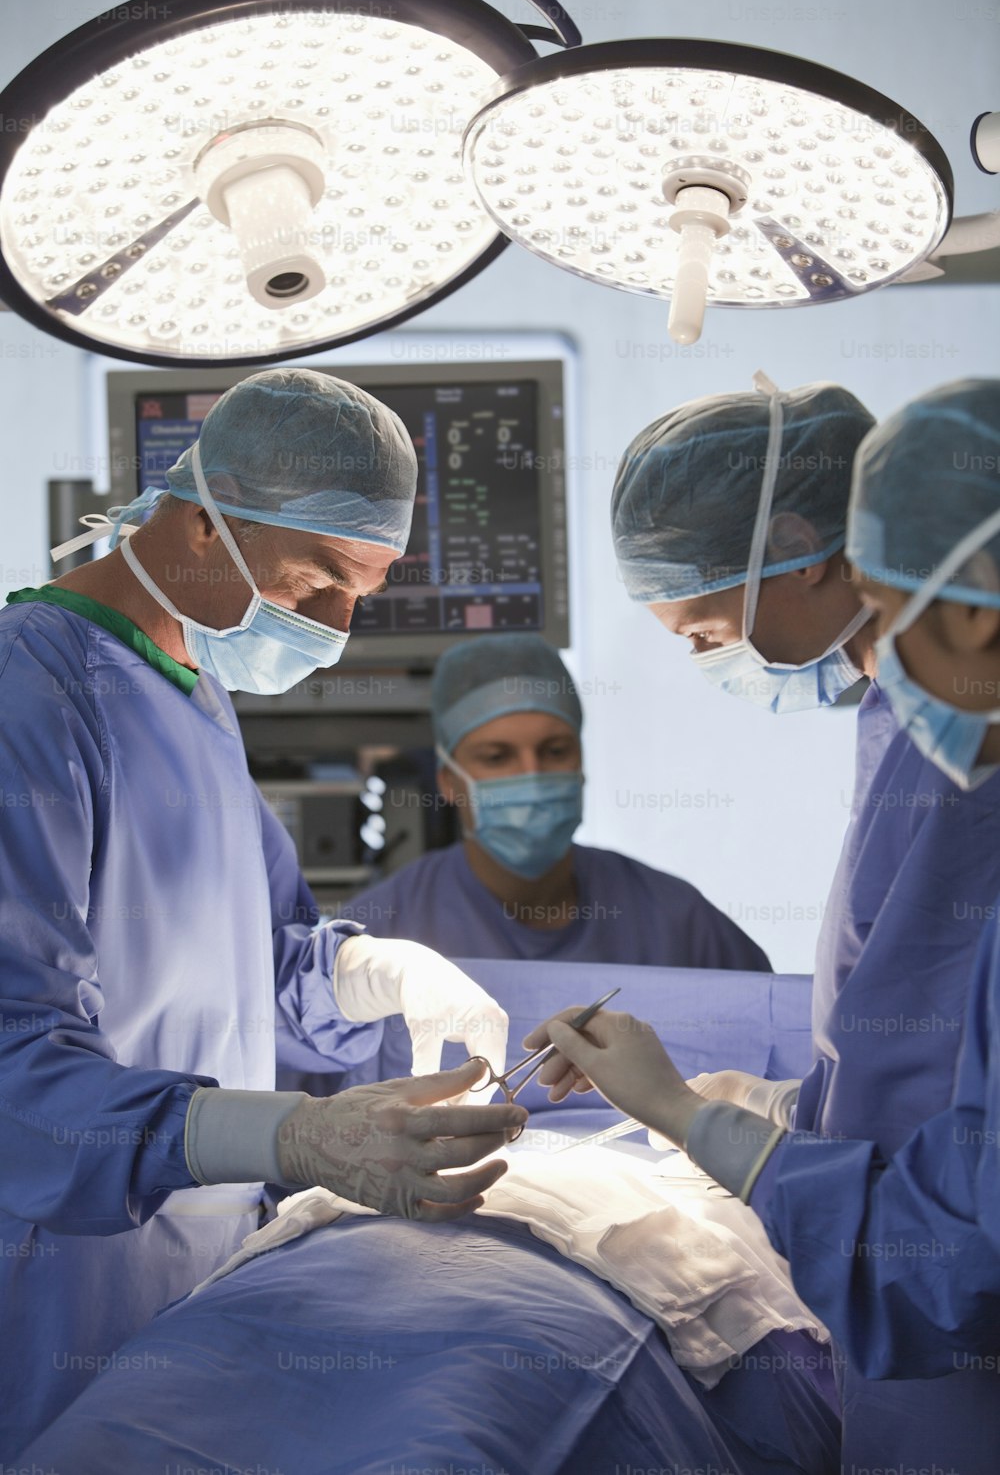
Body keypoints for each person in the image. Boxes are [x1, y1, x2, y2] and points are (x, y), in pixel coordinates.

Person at [0, 368, 525, 1458]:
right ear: (198, 520)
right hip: (48, 1286)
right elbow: (12, 1067)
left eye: (363, 592)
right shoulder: (28, 694)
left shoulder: (192, 687)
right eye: (314, 582)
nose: (339, 627)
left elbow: (256, 955)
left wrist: (371, 973)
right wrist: (286, 1134)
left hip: (190, 1268)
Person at [532, 379, 1000, 1473]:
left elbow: (950, 1263)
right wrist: (765, 1111)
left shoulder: (964, 783)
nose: (872, 666)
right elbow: (927, 1057)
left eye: (885, 617)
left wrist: (706, 1132)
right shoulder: (924, 736)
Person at [338, 633, 771, 969]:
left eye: (555, 751)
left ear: (580, 761)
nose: (532, 774)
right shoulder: (381, 934)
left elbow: (775, 1061)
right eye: (497, 757)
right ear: (450, 782)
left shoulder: (675, 922)